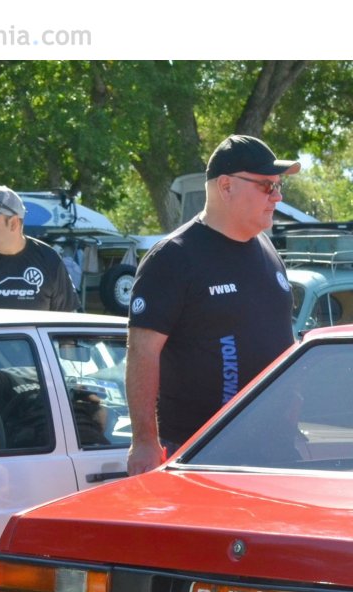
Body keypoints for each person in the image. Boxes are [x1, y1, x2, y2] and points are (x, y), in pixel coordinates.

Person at [127, 135, 299, 475]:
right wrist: (145, 440)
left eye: (279, 187)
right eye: (267, 186)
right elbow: (142, 352)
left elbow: (281, 340)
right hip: (201, 453)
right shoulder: (174, 257)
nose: (277, 197)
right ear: (225, 186)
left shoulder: (266, 249)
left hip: (275, 450)